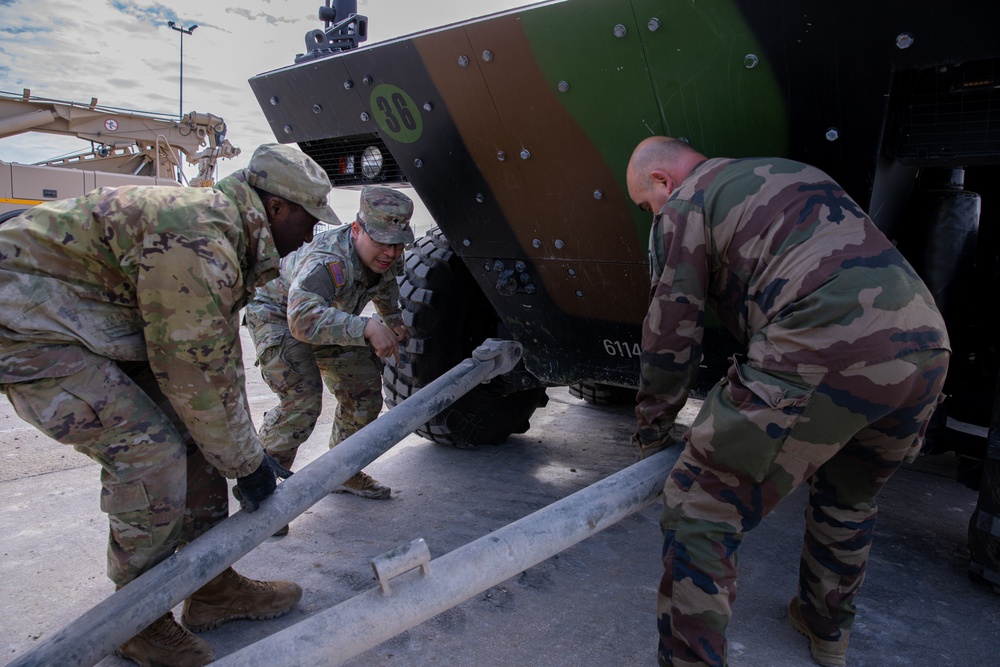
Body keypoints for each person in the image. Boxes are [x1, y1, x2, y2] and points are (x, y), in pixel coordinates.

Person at [0, 143, 338, 667]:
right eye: (308, 219)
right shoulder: (199, 239)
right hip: (25, 330)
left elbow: (217, 370)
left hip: (83, 323)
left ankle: (211, 586)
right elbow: (196, 375)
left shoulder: (222, 233)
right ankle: (136, 620)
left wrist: (244, 458)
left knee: (198, 440)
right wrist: (249, 468)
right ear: (275, 208)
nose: (313, 234)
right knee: (149, 451)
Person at [625, 137, 951, 667]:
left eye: (646, 205)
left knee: (700, 506)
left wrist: (653, 427)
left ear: (663, 180)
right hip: (926, 347)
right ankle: (827, 632)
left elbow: (671, 326)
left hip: (826, 342)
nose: (651, 215)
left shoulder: (687, 201)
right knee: (849, 496)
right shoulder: (790, 173)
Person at [245, 185, 414, 530]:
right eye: (382, 241)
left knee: (363, 393)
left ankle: (342, 471)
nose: (390, 251)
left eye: (397, 243)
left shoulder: (388, 257)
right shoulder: (327, 260)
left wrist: (393, 323)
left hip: (331, 317)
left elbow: (385, 288)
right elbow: (301, 320)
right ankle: (262, 496)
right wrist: (367, 327)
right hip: (280, 314)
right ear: (356, 230)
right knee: (301, 403)